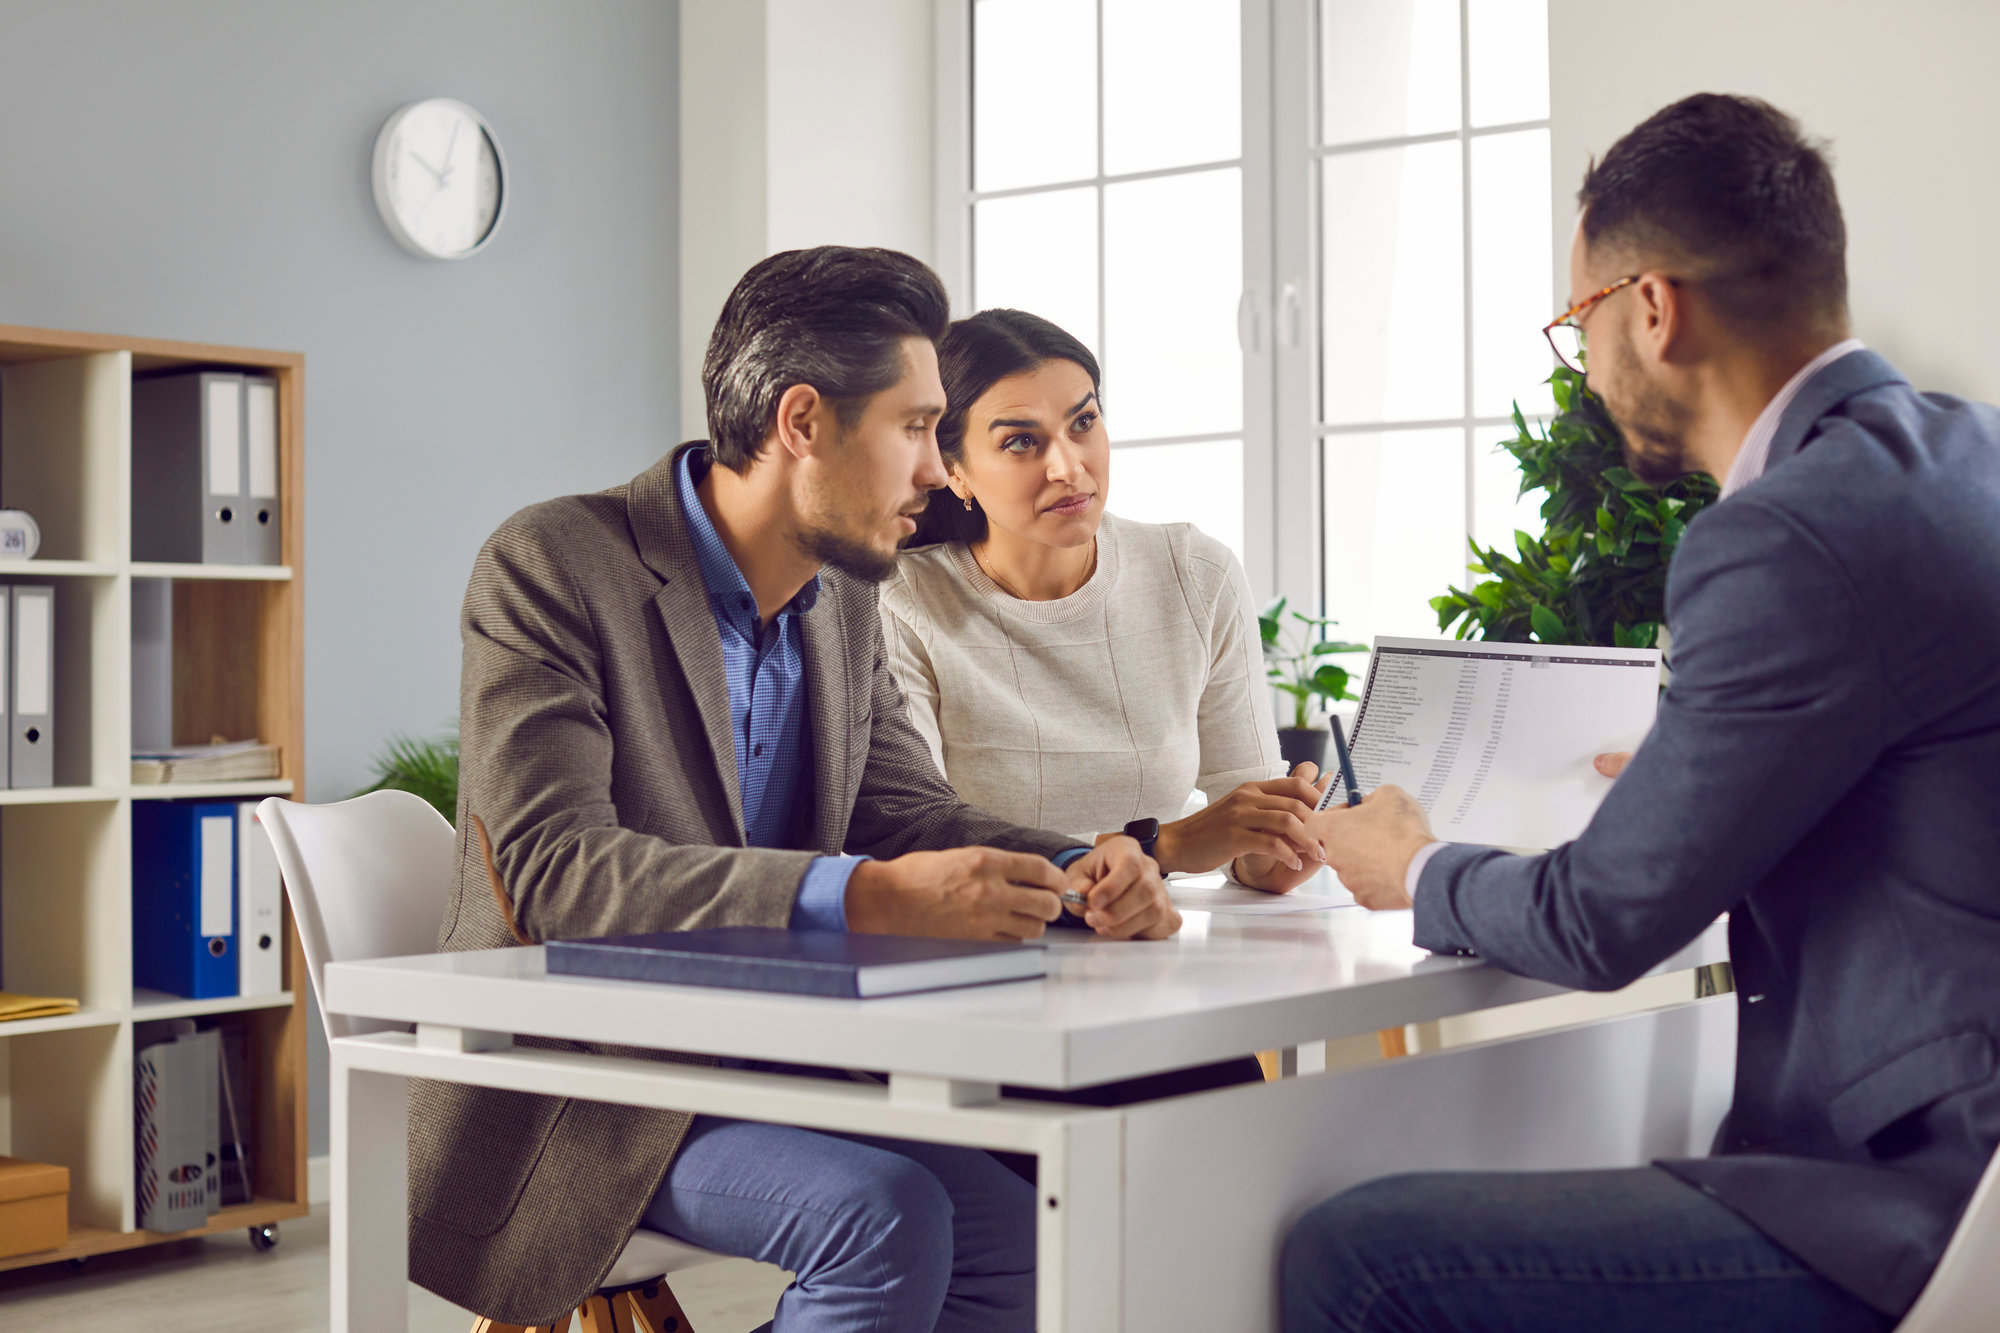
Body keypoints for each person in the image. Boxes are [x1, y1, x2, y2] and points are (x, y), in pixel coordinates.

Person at [1290, 93, 2000, 1332]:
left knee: (1357, 1257)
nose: (1581, 360)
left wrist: (1410, 863)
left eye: (1579, 320)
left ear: (1652, 308)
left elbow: (1601, 922)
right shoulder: (1965, 455)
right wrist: (1693, 780)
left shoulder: (1781, 535)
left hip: (1921, 1197)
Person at [411, 246, 1179, 1333]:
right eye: (915, 428)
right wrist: (858, 896)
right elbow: (554, 872)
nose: (933, 470)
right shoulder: (554, 563)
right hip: (591, 1085)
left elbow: (905, 811)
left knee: (1019, 1241)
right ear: (803, 421)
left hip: (785, 1056)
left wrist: (1070, 868)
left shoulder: (843, 595)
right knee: (886, 1215)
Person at [883, 308, 1332, 897]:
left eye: (1083, 422)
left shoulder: (1196, 575)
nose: (1069, 467)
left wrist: (1272, 852)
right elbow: (918, 841)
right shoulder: (901, 602)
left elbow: (1241, 814)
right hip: (989, 952)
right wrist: (1158, 848)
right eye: (1021, 442)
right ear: (955, 472)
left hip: (1154, 948)